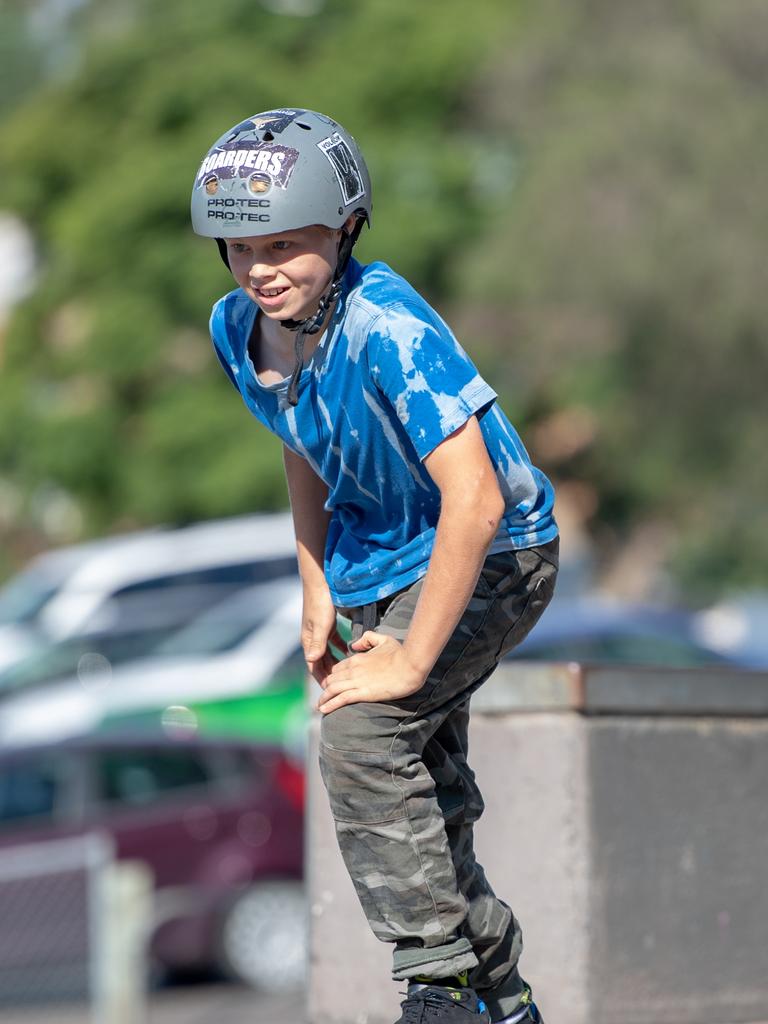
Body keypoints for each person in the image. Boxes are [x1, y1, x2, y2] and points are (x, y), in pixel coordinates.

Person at [191, 108, 558, 1024]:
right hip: (378, 565)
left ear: (346, 228)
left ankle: (442, 990)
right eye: (238, 248)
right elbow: (299, 437)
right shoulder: (242, 330)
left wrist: (410, 660)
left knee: (364, 736)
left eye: (283, 244)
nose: (259, 269)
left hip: (497, 554)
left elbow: (475, 500)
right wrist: (314, 582)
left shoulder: (388, 326)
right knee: (423, 804)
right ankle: (504, 999)